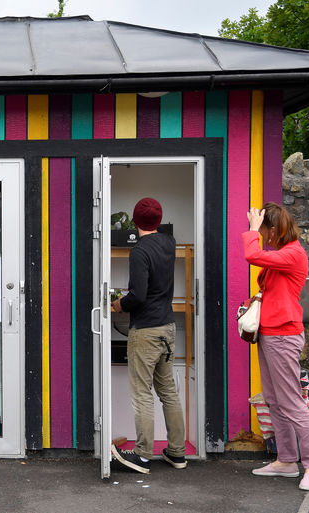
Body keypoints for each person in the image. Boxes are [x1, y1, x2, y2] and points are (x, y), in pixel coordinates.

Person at [243, 203, 309, 491]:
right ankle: (288, 460)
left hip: (284, 335)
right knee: (275, 399)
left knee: (291, 401)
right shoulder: (282, 254)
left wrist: (252, 229)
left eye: (264, 230)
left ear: (274, 230)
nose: (261, 235)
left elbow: (252, 255)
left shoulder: (293, 254)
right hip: (270, 333)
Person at [110, 197, 187, 474]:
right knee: (168, 392)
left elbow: (138, 296)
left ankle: (142, 455)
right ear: (159, 219)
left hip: (145, 330)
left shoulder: (139, 251)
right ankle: (177, 453)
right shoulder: (169, 242)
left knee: (142, 393)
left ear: (134, 221)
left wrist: (119, 304)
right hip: (167, 328)